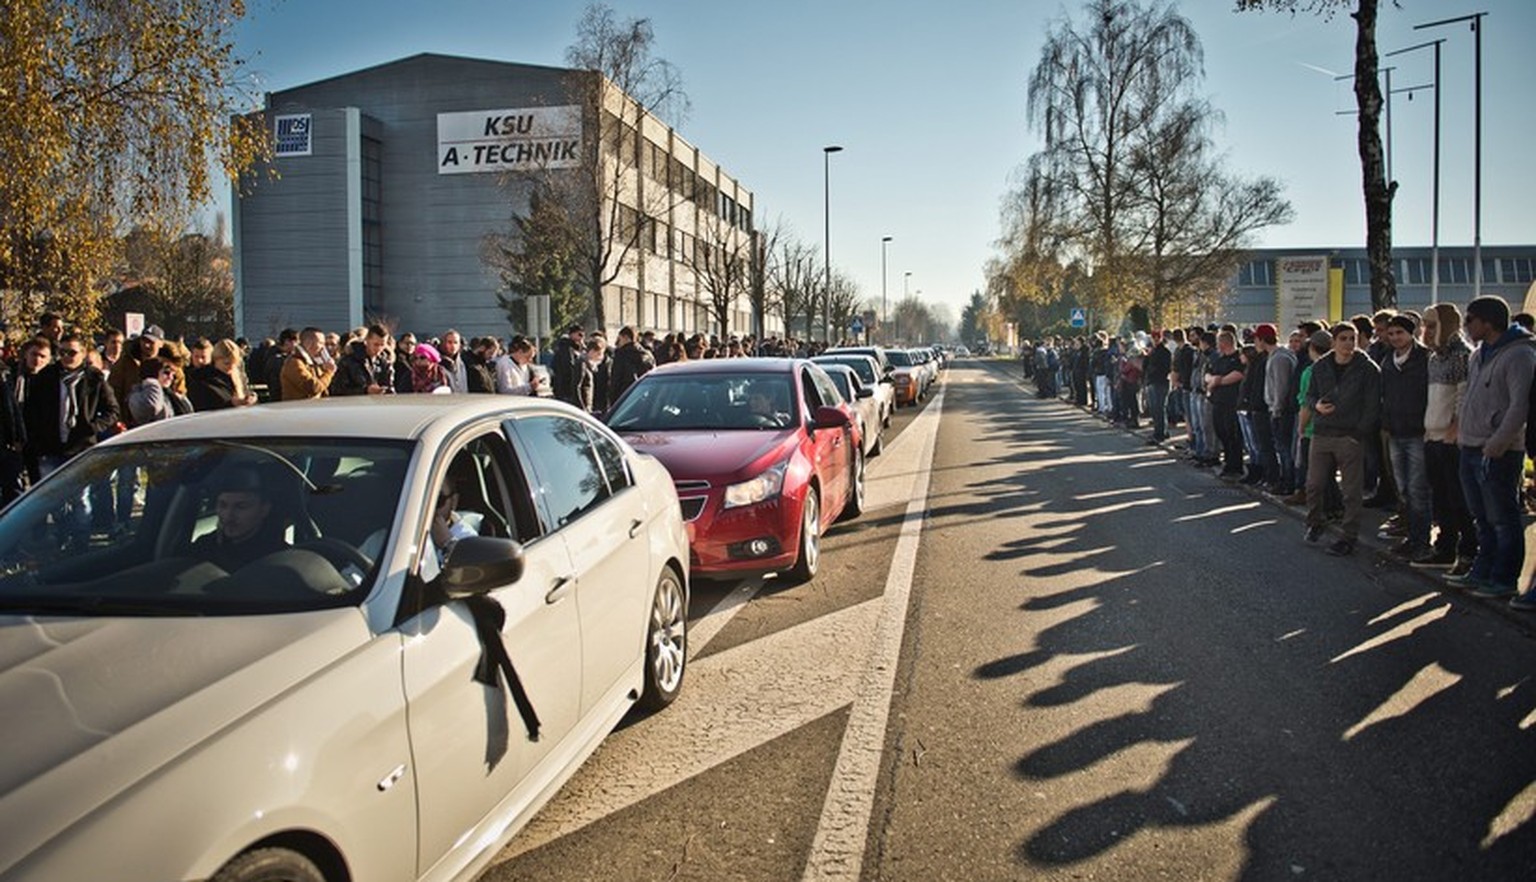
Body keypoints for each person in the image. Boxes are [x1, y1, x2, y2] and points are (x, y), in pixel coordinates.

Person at [1447, 296, 1536, 602]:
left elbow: (1519, 406)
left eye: (1470, 319)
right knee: (1481, 517)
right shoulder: (1477, 355)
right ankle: (1483, 569)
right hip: (1470, 445)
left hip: (1498, 450)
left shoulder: (1520, 355)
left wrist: (1498, 442)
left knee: (1503, 517)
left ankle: (1504, 577)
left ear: (1488, 321)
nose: (1465, 326)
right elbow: (1469, 396)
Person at [1303, 322, 1381, 557]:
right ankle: (1315, 522)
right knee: (1314, 485)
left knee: (1351, 491)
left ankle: (1348, 536)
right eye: (1344, 338)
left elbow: (1372, 404)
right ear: (1334, 341)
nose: (1349, 343)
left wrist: (1359, 433)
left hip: (1349, 435)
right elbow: (1309, 396)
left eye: (1352, 338)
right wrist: (1315, 405)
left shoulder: (1367, 368)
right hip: (1322, 432)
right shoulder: (1321, 366)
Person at [1379, 313, 1433, 562]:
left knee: (1418, 489)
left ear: (1412, 333)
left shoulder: (1425, 358)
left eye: (1400, 333)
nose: (1395, 338)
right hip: (1394, 431)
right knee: (1402, 487)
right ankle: (1411, 536)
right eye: (1391, 334)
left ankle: (1422, 541)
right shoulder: (1388, 361)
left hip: (1418, 432)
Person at [191, 467, 288, 572]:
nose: (228, 516)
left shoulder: (280, 559)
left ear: (264, 509)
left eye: (241, 507)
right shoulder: (203, 547)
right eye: (223, 505)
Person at [280, 327, 337, 401]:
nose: (323, 348)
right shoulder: (294, 363)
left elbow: (322, 387)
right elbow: (314, 388)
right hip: (297, 410)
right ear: (309, 343)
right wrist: (329, 372)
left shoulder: (312, 363)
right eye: (321, 343)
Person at [610, 325, 655, 403]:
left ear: (625, 338)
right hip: (645, 395)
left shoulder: (621, 355)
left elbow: (616, 379)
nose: (618, 342)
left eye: (620, 339)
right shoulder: (647, 355)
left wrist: (612, 399)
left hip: (625, 395)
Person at [550, 324, 585, 405]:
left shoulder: (573, 348)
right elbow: (568, 369)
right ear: (572, 334)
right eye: (580, 335)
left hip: (564, 389)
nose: (581, 338)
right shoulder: (566, 348)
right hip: (566, 389)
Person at [439, 330, 469, 394]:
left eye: (455, 342)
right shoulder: (437, 363)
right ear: (443, 343)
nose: (453, 346)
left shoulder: (462, 363)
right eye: (449, 342)